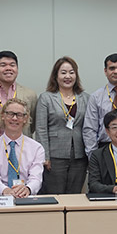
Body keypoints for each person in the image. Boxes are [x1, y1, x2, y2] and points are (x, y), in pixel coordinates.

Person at [36, 57, 90, 194]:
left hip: (79, 156)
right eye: (63, 72)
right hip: (54, 156)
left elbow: (90, 127)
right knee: (56, 194)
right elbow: (41, 129)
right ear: (56, 76)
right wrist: (45, 156)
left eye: (71, 72)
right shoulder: (46, 98)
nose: (68, 76)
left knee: (75, 194)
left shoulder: (85, 98)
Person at [0, 99, 44, 197]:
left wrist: (27, 189)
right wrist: (5, 191)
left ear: (25, 118)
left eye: (19, 115)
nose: (14, 118)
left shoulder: (37, 148)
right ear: (3, 116)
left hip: (25, 197)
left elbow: (36, 178)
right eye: (10, 114)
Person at [0, 51, 37, 141]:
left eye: (12, 65)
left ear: (17, 69)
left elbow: (32, 125)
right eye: (3, 65)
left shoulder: (30, 95)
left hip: (22, 149)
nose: (8, 68)